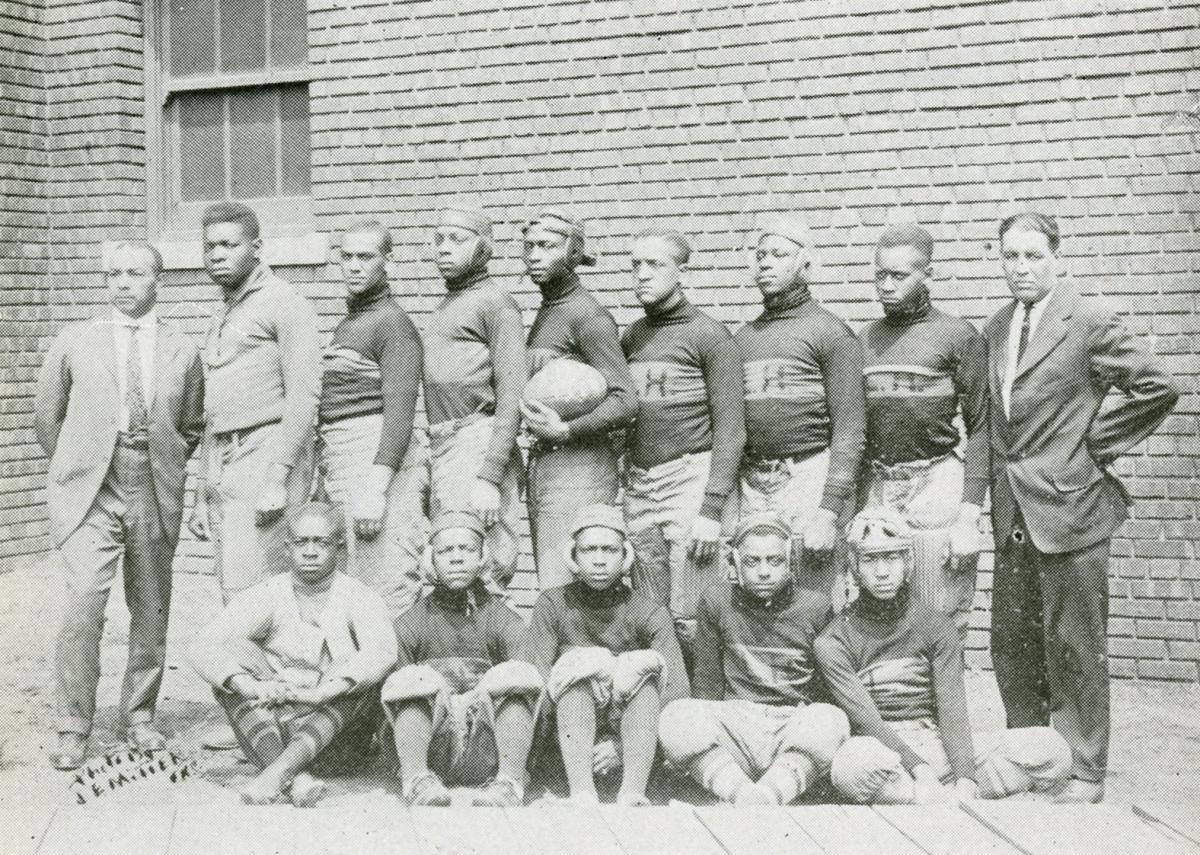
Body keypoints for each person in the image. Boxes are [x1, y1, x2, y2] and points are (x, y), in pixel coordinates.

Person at [983, 212, 1178, 804]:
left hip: (1073, 508)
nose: (1022, 268)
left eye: (1033, 256)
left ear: (1057, 257)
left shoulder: (1089, 320)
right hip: (1015, 511)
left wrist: (1096, 443)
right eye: (1011, 257)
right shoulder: (997, 326)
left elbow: (1157, 386)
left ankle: (1086, 769)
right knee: (1012, 639)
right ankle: (1031, 757)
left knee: (1074, 641)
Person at [35, 241, 205, 769]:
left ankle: (140, 717)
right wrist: (82, 460)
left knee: (151, 606)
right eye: (113, 274)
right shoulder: (75, 341)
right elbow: (47, 418)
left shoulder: (182, 348)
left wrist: (157, 457)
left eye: (135, 273)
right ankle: (72, 726)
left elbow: (192, 425)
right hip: (92, 490)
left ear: (159, 281)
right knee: (84, 604)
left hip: (152, 485)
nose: (122, 283)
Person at [820, 509, 1074, 804]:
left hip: (936, 741)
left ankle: (930, 799)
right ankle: (944, 799)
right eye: (870, 559)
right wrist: (921, 770)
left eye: (891, 557)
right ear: (854, 567)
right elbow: (867, 722)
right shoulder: (833, 639)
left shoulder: (936, 625)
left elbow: (952, 709)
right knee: (850, 767)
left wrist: (965, 777)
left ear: (908, 563)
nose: (882, 571)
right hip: (884, 751)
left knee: (1052, 749)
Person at [189, 502, 396, 806]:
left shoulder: (359, 596)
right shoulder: (269, 593)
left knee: (357, 668)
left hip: (336, 741)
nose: (310, 551)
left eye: (321, 542)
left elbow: (383, 652)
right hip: (274, 728)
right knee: (231, 654)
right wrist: (252, 686)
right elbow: (202, 645)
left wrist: (323, 693)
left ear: (339, 546)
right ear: (287, 548)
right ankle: (296, 777)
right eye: (301, 542)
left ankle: (280, 772)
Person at [658, 511, 849, 806]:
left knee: (831, 719)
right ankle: (748, 795)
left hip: (790, 729)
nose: (763, 571)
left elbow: (825, 689)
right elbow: (707, 686)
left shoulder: (816, 605)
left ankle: (761, 795)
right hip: (736, 724)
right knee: (676, 716)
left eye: (774, 561)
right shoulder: (716, 600)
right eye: (752, 561)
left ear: (790, 564)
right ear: (734, 563)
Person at [621, 228, 745, 664]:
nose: (642, 274)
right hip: (640, 484)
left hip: (690, 479)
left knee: (694, 612)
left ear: (682, 271)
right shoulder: (632, 337)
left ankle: (702, 706)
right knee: (652, 613)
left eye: (654, 264)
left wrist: (711, 509)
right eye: (635, 264)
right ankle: (662, 706)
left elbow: (732, 429)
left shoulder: (710, 335)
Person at [188, 201, 321, 603]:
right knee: (234, 587)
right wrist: (201, 492)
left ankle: (273, 669)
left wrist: (277, 477)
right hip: (223, 458)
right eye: (210, 246)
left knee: (264, 589)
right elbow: (216, 408)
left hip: (265, 454)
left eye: (229, 245)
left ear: (257, 247)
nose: (217, 255)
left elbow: (304, 396)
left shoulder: (285, 303)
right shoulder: (225, 309)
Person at [858, 224, 987, 637]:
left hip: (935, 484)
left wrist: (969, 515)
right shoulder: (864, 341)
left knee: (940, 610)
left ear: (927, 275)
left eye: (899, 276)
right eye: (880, 275)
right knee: (879, 610)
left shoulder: (957, 336)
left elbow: (982, 427)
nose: (887, 286)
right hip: (880, 485)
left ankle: (945, 703)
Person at [733, 214, 866, 601]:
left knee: (814, 598)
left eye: (778, 254)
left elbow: (850, 429)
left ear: (805, 265)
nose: (766, 263)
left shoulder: (830, 332)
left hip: (807, 478)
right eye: (760, 255)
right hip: (754, 483)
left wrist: (827, 511)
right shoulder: (743, 338)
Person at [521, 504, 688, 806]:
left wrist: (622, 747)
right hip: (567, 738)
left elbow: (676, 690)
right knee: (577, 676)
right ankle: (581, 793)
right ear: (573, 556)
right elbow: (536, 678)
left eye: (609, 550)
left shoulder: (648, 611)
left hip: (632, 742)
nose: (599, 560)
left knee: (645, 679)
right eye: (589, 550)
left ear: (625, 557)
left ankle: (633, 794)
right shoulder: (553, 604)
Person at [382, 510, 542, 807]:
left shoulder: (503, 619)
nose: (457, 558)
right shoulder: (410, 622)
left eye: (467, 549)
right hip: (434, 750)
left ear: (482, 557)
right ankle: (417, 781)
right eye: (446, 551)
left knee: (517, 677)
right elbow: (393, 712)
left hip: (488, 750)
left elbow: (532, 699)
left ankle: (509, 783)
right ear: (431, 560)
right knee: (409, 681)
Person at [521, 209, 637, 588]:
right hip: (547, 464)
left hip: (580, 468)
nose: (535, 255)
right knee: (554, 591)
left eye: (547, 246)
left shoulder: (588, 315)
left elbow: (624, 400)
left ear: (573, 253)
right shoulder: (549, 310)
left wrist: (567, 429)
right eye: (530, 246)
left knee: (570, 587)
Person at [319, 220, 427, 618]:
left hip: (375, 459)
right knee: (354, 587)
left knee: (385, 585)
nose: (354, 266)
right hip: (343, 457)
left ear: (389, 263)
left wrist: (375, 489)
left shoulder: (393, 324)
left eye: (366, 257)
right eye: (346, 257)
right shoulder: (353, 322)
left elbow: (400, 414)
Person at [422, 202, 526, 586]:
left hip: (477, 442)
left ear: (482, 247)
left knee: (483, 565)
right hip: (445, 443)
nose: (444, 248)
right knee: (449, 563)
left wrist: (490, 474)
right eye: (438, 239)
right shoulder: (450, 302)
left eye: (457, 239)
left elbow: (512, 391)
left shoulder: (496, 303)